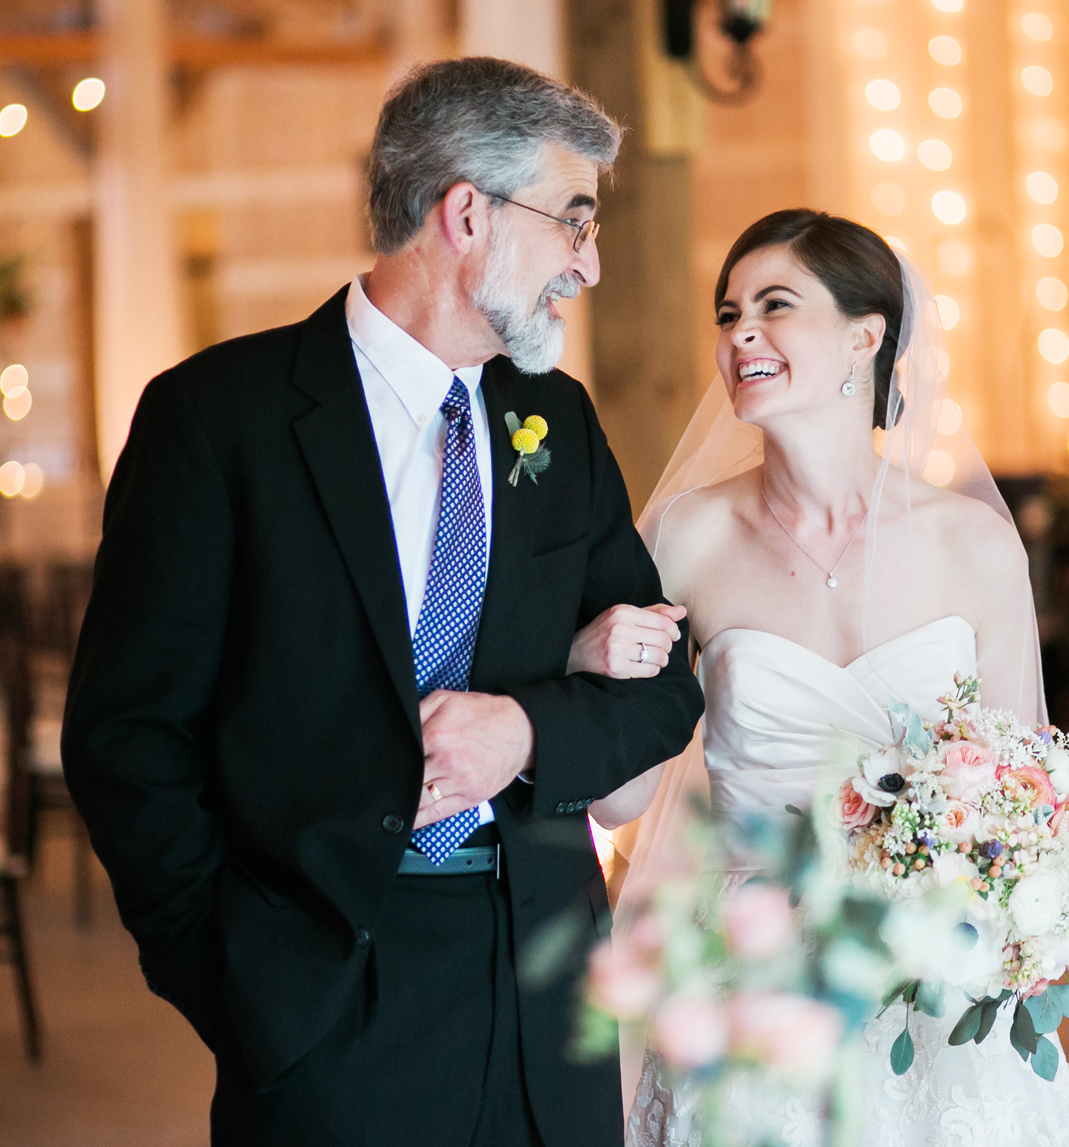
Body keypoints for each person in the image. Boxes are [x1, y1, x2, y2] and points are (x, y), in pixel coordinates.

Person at [61, 58, 703, 1147]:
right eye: (573, 222)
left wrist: (527, 728)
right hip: (322, 995)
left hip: (547, 998)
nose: (587, 264)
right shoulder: (217, 422)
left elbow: (663, 692)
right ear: (466, 215)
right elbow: (125, 738)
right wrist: (236, 977)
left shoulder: (557, 421)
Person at [572, 209, 1069, 1146]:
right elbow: (621, 799)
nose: (740, 335)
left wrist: (1036, 905)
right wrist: (590, 664)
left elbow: (1031, 790)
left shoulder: (971, 544)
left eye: (775, 306)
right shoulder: (686, 538)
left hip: (935, 987)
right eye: (728, 314)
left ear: (867, 336)